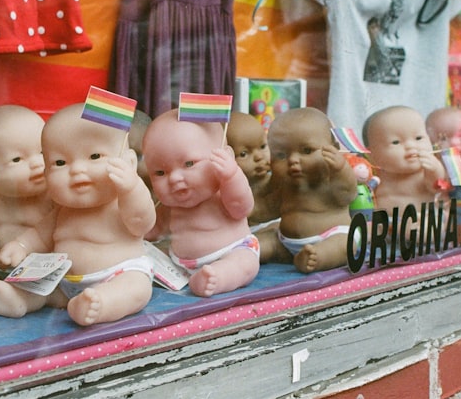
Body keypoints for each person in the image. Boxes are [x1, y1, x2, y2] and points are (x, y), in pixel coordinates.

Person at [0, 103, 157, 325]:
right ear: (46, 173)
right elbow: (40, 234)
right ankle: (19, 300)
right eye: (60, 163)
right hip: (64, 280)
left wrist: (132, 189)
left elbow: (142, 224)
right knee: (42, 288)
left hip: (118, 274)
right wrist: (22, 247)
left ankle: (103, 303)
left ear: (129, 163)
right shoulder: (62, 211)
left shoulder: (120, 202)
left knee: (137, 288)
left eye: (94, 156)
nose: (76, 170)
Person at [143, 110, 260, 297]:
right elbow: (153, 229)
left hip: (231, 251)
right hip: (179, 263)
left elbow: (242, 208)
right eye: (160, 173)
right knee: (144, 258)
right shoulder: (170, 206)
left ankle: (218, 278)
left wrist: (232, 176)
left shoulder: (223, 191)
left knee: (245, 264)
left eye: (189, 164)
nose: (174, 178)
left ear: (224, 156)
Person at [267, 107, 357, 273]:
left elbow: (348, 195)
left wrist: (341, 169)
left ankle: (317, 257)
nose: (293, 160)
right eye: (281, 155)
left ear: (334, 148)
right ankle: (243, 256)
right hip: (285, 241)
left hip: (330, 235)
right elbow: (268, 207)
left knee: (345, 244)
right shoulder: (283, 181)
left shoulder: (331, 176)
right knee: (259, 242)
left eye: (307, 151)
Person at [0, 105, 53, 281]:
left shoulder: (52, 197)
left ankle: (15, 298)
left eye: (43, 152)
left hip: (35, 271)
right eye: (17, 159)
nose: (38, 164)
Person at [364, 105, 446, 212]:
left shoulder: (426, 173)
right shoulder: (375, 175)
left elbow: (436, 186)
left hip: (420, 220)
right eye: (396, 142)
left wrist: (435, 170)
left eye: (418, 138)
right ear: (372, 155)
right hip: (383, 222)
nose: (410, 146)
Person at [225, 111, 281, 262]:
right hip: (247, 238)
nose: (259, 157)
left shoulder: (277, 177)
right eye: (244, 154)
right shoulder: (226, 190)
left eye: (263, 146)